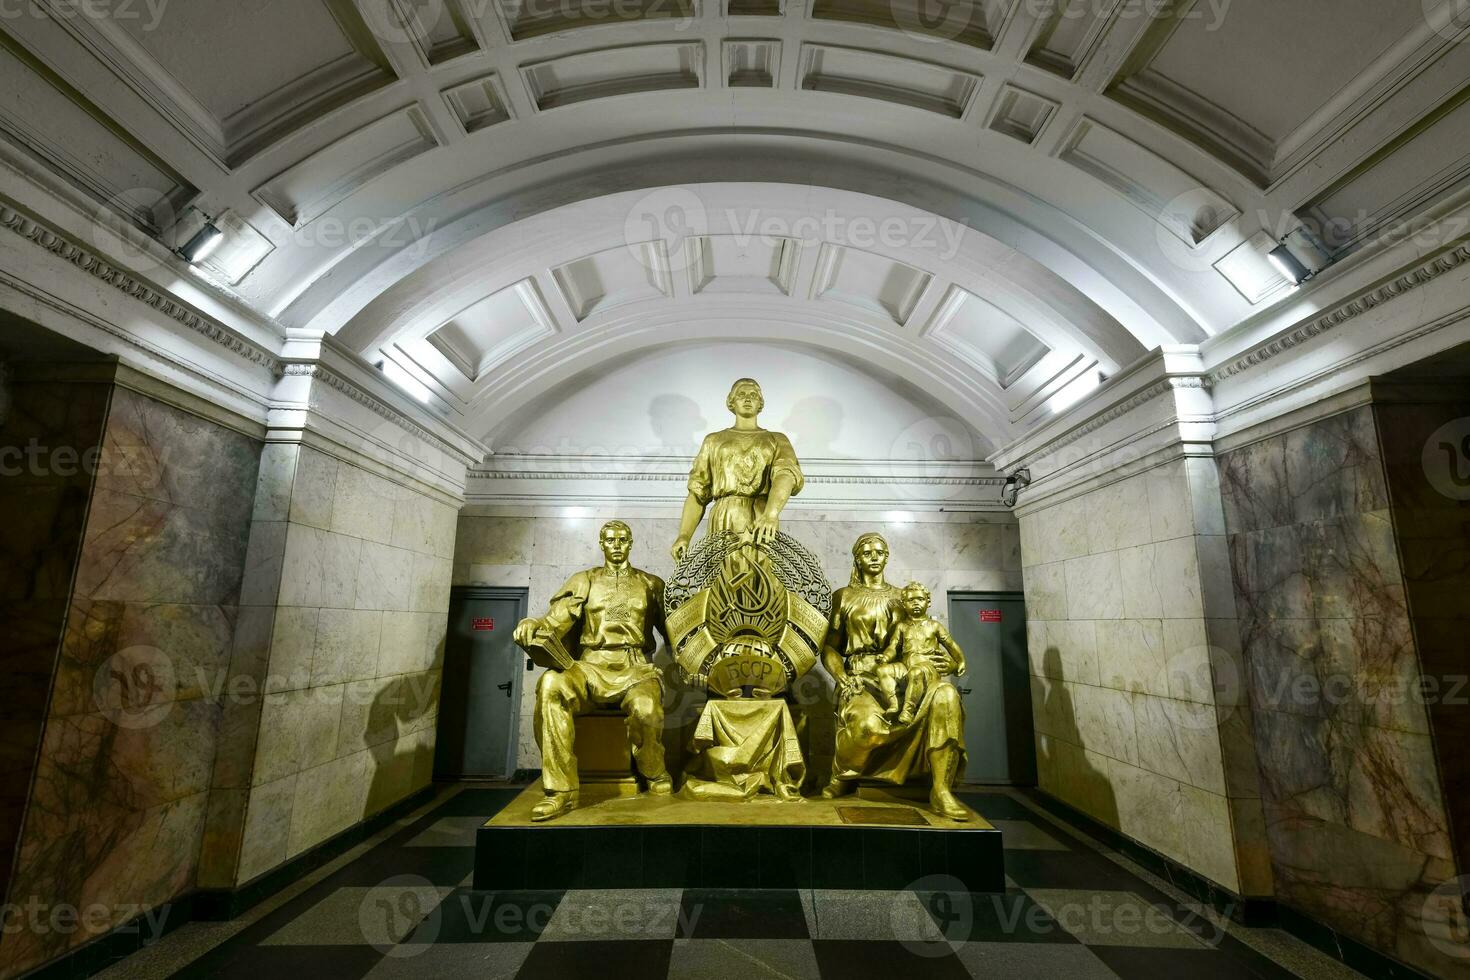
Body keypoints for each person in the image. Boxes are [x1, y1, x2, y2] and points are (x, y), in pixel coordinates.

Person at [513, 520, 672, 821]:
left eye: (622, 539)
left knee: (647, 707)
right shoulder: (584, 580)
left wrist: (694, 659)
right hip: (589, 667)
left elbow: (674, 633)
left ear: (631, 542)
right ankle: (560, 791)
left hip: (635, 667)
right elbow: (555, 621)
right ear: (601, 544)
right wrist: (534, 624)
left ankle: (652, 766)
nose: (616, 545)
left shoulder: (651, 584)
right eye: (610, 540)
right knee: (551, 684)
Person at [820, 533, 970, 820]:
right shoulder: (844, 596)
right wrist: (841, 676)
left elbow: (934, 638)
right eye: (867, 552)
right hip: (861, 676)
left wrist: (950, 664)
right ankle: (845, 774)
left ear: (887, 556)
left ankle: (941, 790)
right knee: (867, 727)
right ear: (857, 559)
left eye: (879, 551)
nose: (874, 556)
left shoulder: (903, 597)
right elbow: (829, 647)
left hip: (906, 674)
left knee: (947, 696)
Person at [671, 378, 804, 561]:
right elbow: (697, 493)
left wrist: (771, 514)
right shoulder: (714, 440)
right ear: (731, 402)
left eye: (753, 395)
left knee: (764, 579)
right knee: (723, 579)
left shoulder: (776, 439)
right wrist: (684, 536)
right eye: (741, 394)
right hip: (725, 516)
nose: (748, 399)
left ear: (760, 403)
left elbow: (786, 474)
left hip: (762, 515)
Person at [872, 582, 967, 725]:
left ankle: (908, 710)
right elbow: (893, 646)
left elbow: (951, 644)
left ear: (927, 602)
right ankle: (894, 703)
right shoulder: (902, 626)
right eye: (911, 600)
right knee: (882, 670)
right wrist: (885, 657)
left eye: (920, 599)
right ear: (904, 604)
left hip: (928, 668)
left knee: (916, 673)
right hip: (905, 666)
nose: (916, 603)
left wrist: (961, 661)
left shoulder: (934, 626)